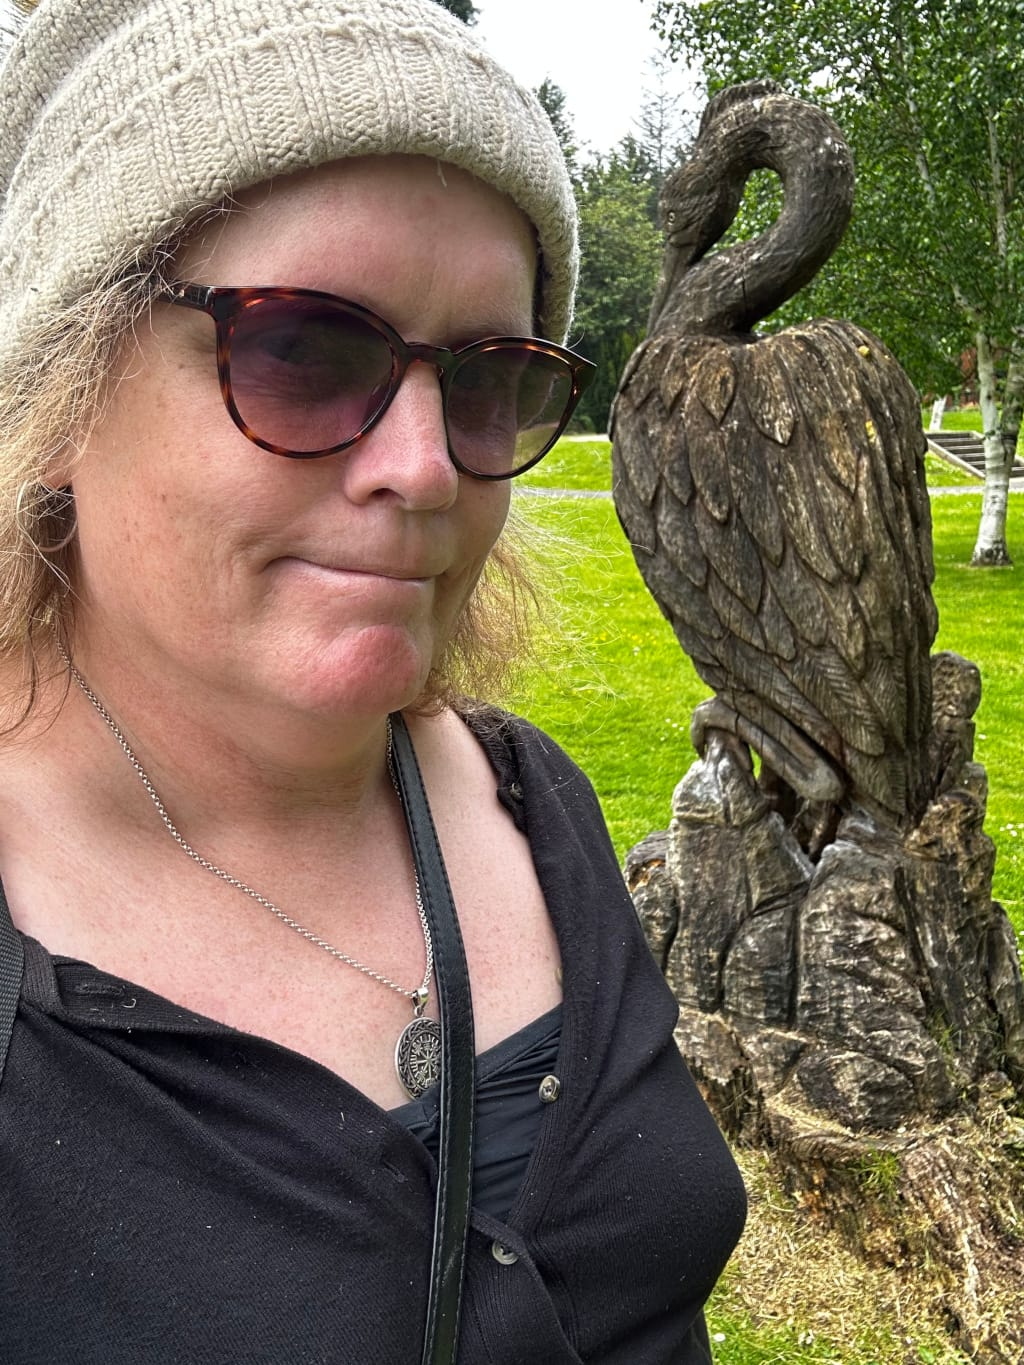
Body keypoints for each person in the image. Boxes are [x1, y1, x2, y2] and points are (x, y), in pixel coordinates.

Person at [0, 1, 746, 1361]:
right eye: (301, 349)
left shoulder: (532, 803)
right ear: (60, 387)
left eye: (487, 378)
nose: (425, 467)